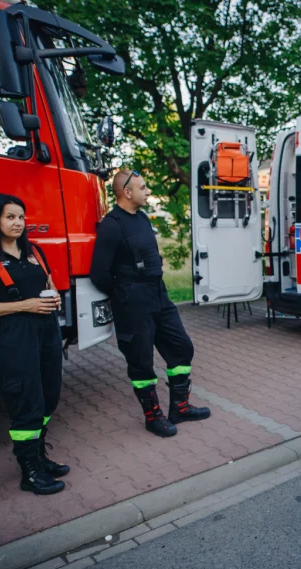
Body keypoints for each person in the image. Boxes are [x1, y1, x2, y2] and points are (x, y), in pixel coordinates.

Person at [90, 169, 210, 438]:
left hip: (159, 295)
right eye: (142, 187)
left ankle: (180, 408)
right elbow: (99, 273)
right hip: (132, 303)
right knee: (141, 361)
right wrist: (124, 294)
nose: (147, 191)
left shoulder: (142, 218)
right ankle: (153, 417)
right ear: (127, 192)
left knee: (181, 347)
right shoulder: (112, 225)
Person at [0, 194, 68, 495]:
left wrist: (54, 297)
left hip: (47, 328)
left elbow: (48, 284)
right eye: (10, 217)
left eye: (21, 217)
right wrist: (25, 305)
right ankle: (30, 470)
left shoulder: (34, 250)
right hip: (14, 332)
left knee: (49, 394)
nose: (18, 223)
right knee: (26, 399)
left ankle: (39, 456)